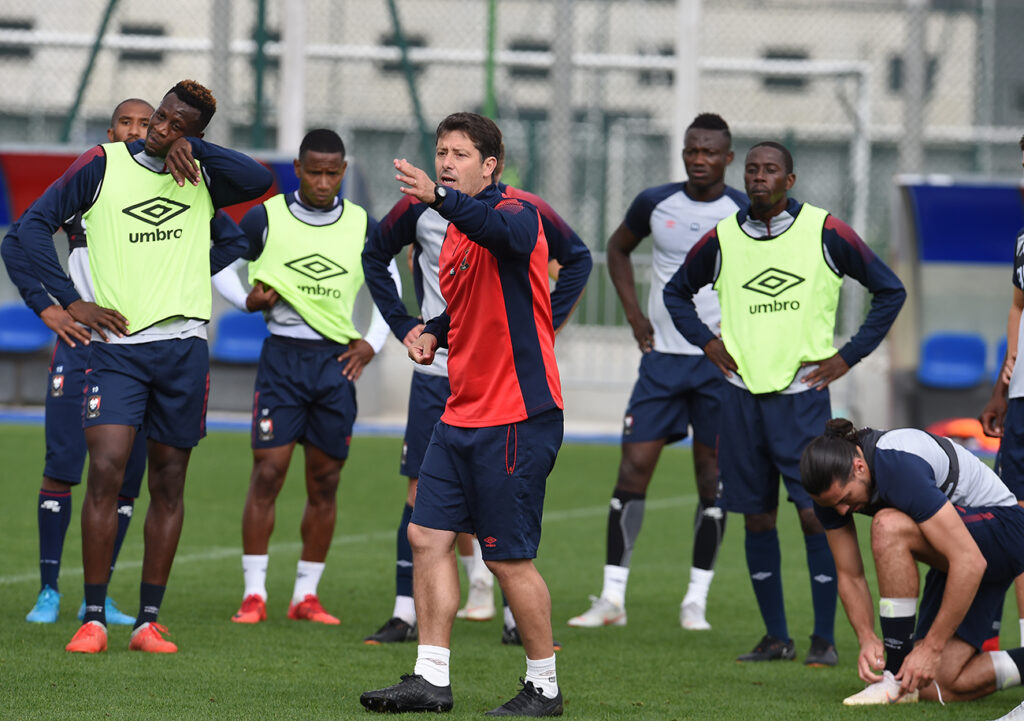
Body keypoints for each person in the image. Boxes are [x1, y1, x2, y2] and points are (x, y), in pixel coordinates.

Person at [19, 79, 272, 654]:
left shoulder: (203, 172)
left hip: (183, 348)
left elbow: (261, 181)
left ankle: (147, 621)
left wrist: (198, 151)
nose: (159, 129)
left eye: (175, 126)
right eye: (159, 117)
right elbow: (33, 225)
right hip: (116, 350)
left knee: (168, 482)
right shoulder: (101, 163)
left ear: (194, 135)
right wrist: (66, 298)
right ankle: (92, 618)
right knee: (106, 470)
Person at [663, 141, 906, 665]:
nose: (759, 177)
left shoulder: (825, 231)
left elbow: (890, 290)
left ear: (789, 180)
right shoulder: (724, 237)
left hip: (803, 401)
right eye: (751, 169)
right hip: (741, 399)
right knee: (755, 518)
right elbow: (675, 292)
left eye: (770, 170)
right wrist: (708, 343)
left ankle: (824, 639)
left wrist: (848, 356)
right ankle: (776, 637)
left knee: (817, 516)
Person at [360, 112, 566, 716]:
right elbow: (471, 302)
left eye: (459, 154)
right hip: (461, 412)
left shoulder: (515, 213)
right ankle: (430, 677)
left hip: (516, 415)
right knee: (426, 535)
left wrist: (438, 196)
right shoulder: (453, 228)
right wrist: (431, 331)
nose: (446, 161)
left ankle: (544, 686)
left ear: (490, 166)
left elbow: (505, 239)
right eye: (441, 152)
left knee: (506, 557)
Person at [567, 113, 744, 632]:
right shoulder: (654, 202)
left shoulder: (742, 211)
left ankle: (696, 600)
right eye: (692, 150)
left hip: (718, 366)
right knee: (631, 470)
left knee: (712, 480)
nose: (699, 159)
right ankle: (612, 599)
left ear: (727, 159)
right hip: (661, 362)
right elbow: (618, 249)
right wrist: (633, 314)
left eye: (710, 151)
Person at [215, 128, 395, 626]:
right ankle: (254, 594)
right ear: (297, 168)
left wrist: (372, 344)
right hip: (282, 360)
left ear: (343, 172)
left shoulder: (362, 225)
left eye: (331, 172)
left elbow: (391, 289)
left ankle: (306, 596)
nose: (322, 181)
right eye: (313, 171)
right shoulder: (266, 217)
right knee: (268, 472)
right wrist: (245, 300)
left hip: (336, 362)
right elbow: (217, 264)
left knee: (325, 480)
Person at [1, 99, 155, 626]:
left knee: (126, 476)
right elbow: (17, 241)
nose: (136, 132)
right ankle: (48, 591)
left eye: (145, 123)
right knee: (63, 467)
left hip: (140, 352)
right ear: (110, 132)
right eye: (126, 124)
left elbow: (216, 244)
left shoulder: (167, 191)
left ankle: (103, 593)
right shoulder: (84, 185)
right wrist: (49, 306)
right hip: (82, 350)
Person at [801, 418, 1024, 705]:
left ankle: (891, 677)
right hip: (956, 547)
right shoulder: (832, 496)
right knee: (929, 684)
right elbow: (850, 575)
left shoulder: (895, 464)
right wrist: (867, 637)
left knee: (888, 525)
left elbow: (969, 561)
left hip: (1005, 533)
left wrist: (931, 648)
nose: (842, 511)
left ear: (859, 467)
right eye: (833, 505)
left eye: (845, 499)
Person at [978, 132, 1024, 647]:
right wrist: (1002, 385)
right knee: (1017, 529)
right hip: (1022, 404)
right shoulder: (1023, 237)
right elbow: (1019, 308)